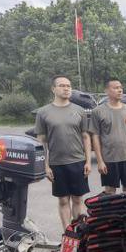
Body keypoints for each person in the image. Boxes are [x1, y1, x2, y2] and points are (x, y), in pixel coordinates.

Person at [35, 75, 91, 229]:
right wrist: (45, 166)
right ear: (53, 89)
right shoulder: (43, 112)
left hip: (78, 162)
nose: (66, 88)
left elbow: (86, 137)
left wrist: (87, 161)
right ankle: (67, 232)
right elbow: (41, 141)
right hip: (57, 164)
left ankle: (79, 232)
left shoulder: (79, 111)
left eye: (68, 85)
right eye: (62, 85)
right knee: (63, 200)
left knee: (78, 199)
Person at [90, 79, 126, 194]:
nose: (119, 90)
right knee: (109, 191)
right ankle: (112, 212)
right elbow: (95, 137)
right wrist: (100, 161)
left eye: (120, 88)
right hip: (109, 159)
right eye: (115, 88)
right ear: (107, 91)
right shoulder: (98, 111)